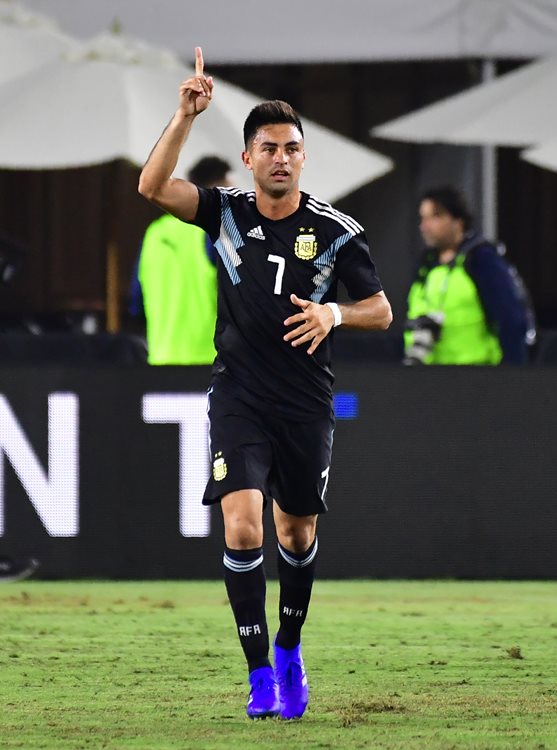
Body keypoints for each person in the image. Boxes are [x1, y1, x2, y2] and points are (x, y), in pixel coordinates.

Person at [137, 48, 392, 720]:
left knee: (297, 533)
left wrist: (335, 313)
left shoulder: (336, 232)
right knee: (243, 523)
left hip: (306, 401)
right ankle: (258, 675)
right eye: (269, 149)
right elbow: (153, 187)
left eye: (292, 148)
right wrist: (186, 116)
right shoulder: (223, 212)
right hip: (239, 396)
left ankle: (288, 648)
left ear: (305, 157)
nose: (282, 158)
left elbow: (381, 310)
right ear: (247, 158)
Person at [404, 187, 532, 365]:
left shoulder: (482, 260)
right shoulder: (425, 267)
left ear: (458, 221)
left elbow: (511, 319)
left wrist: (512, 374)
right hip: (428, 373)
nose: (425, 226)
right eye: (423, 218)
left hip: (477, 373)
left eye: (435, 217)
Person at [130, 155, 232, 365]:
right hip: (210, 364)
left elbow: (135, 303)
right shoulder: (214, 232)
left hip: (161, 363)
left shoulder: (154, 233)